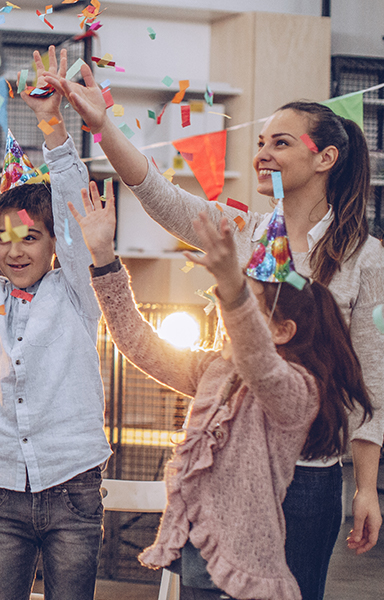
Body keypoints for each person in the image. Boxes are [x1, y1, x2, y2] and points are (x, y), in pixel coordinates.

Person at [48, 65, 384, 598]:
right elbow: (156, 192)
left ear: (325, 158)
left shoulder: (363, 256)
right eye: (260, 142)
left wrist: (366, 486)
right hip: (233, 464)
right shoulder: (245, 232)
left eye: (280, 142)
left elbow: (372, 377)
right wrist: (101, 122)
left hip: (309, 476)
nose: (263, 153)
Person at [0, 48, 111, 600]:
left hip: (72, 484)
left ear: (54, 243)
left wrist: (50, 124)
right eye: (4, 238)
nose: (15, 251)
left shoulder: (79, 293)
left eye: (31, 237)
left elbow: (69, 207)